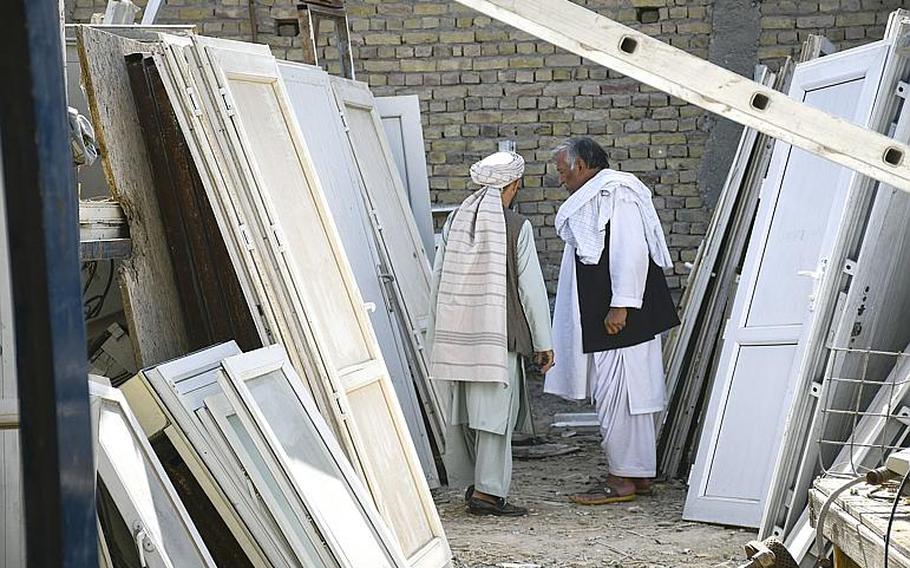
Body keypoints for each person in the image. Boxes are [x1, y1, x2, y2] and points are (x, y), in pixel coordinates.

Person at [544, 137, 680, 504]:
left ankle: (622, 479)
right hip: (614, 319)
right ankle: (636, 475)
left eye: (563, 172)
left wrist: (621, 305)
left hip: (621, 319)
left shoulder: (616, 193)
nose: (561, 181)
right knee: (629, 395)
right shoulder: (599, 195)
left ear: (583, 165)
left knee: (621, 396)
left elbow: (631, 249)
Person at [429, 151, 554, 517]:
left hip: (459, 335)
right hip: (500, 339)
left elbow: (439, 279)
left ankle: (475, 486)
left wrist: (439, 331)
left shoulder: (456, 221)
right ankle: (488, 494)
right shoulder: (516, 226)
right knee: (495, 418)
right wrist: (543, 343)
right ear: (512, 185)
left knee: (469, 415)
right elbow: (531, 289)